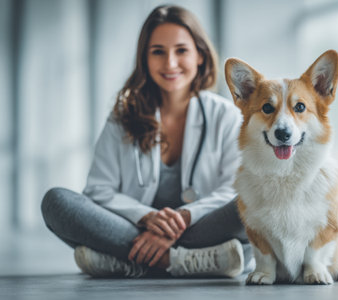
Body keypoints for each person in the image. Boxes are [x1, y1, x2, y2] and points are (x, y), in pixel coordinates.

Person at [41, 5, 252, 278]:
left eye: (181, 50)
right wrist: (147, 217)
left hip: (202, 228)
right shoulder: (123, 116)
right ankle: (184, 261)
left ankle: (128, 262)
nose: (170, 63)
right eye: (158, 52)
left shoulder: (224, 115)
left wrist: (185, 217)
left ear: (200, 55)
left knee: (254, 203)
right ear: (145, 59)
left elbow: (233, 188)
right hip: (136, 230)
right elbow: (98, 191)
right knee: (56, 202)